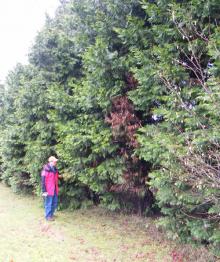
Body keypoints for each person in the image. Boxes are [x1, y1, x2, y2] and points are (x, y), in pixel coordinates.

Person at [41, 156, 60, 221]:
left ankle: (51, 214)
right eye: (55, 161)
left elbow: (55, 178)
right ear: (51, 162)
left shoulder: (54, 169)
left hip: (54, 188)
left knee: (55, 202)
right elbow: (43, 180)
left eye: (56, 161)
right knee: (49, 203)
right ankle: (48, 216)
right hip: (48, 189)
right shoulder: (46, 169)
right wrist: (44, 190)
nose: (56, 162)